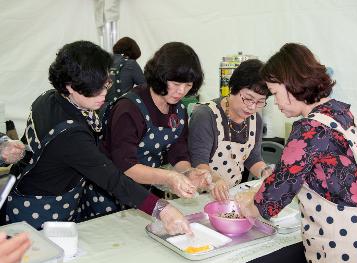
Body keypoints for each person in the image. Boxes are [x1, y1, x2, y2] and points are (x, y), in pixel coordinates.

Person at [235, 43, 357, 263]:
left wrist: (249, 206)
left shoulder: (309, 129)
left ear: (291, 84)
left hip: (345, 245)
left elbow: (282, 186)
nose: (276, 104)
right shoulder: (339, 112)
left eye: (275, 94)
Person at [5, 41, 191, 236]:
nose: (104, 94)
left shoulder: (51, 97)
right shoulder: (70, 134)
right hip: (38, 209)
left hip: (37, 191)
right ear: (70, 86)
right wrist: (162, 209)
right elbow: (111, 179)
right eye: (95, 89)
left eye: (106, 84)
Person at [101, 42, 210, 199]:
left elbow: (178, 152)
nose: (181, 91)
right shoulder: (129, 108)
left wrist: (188, 172)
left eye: (188, 85)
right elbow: (126, 165)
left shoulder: (178, 109)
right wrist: (168, 177)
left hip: (146, 191)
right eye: (176, 84)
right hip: (113, 193)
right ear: (160, 76)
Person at [188, 59, 271, 201]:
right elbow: (199, 163)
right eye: (248, 98)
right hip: (196, 195)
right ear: (233, 88)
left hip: (230, 195)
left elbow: (252, 158)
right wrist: (215, 180)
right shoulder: (206, 115)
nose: (252, 107)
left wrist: (265, 172)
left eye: (260, 102)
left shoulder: (255, 120)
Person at [105, 37, 145, 104]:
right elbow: (145, 86)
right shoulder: (131, 63)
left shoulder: (105, 60)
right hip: (121, 106)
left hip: (102, 107)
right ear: (134, 51)